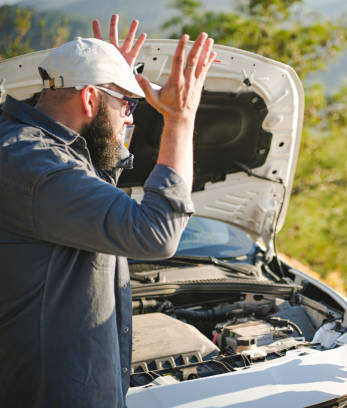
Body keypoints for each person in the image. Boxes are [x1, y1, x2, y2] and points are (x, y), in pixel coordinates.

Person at [0, 15, 216, 407]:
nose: (132, 118)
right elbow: (157, 234)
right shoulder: (38, 168)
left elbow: (92, 183)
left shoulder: (35, 149)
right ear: (88, 98)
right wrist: (180, 121)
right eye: (129, 104)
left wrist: (113, 88)